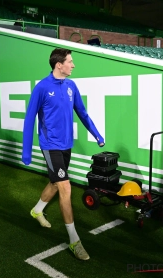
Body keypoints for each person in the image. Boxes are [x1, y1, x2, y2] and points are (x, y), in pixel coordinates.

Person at [22, 48, 105, 260]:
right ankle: (74, 240)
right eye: (70, 61)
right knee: (65, 186)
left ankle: (37, 210)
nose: (73, 65)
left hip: (66, 144)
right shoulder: (41, 88)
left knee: (55, 182)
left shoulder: (71, 86)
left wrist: (96, 134)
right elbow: (29, 119)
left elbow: (82, 113)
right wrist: (26, 151)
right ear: (59, 64)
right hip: (50, 145)